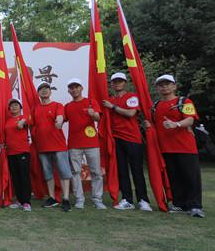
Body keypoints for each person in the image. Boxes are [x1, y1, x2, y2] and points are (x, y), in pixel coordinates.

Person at [150, 74, 204, 218]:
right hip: (166, 148)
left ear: (174, 86)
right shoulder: (155, 106)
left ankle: (195, 206)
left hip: (185, 147)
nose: (164, 87)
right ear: (157, 88)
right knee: (174, 178)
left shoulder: (184, 102)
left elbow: (190, 120)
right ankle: (179, 204)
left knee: (191, 177)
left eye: (167, 84)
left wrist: (177, 124)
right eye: (161, 85)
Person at [102, 72, 151, 211]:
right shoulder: (109, 99)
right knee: (122, 171)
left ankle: (143, 200)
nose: (117, 84)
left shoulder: (132, 97)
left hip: (133, 138)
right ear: (111, 84)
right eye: (115, 82)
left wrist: (112, 107)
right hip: (117, 139)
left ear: (125, 83)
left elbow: (131, 113)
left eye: (120, 81)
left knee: (137, 170)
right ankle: (127, 199)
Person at [64, 78, 106, 210]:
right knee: (75, 172)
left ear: (81, 88)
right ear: (69, 91)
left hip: (91, 142)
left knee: (96, 171)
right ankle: (79, 199)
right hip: (74, 144)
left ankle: (97, 199)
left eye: (76, 87)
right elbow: (61, 119)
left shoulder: (90, 102)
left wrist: (93, 114)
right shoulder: (68, 106)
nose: (74, 90)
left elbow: (98, 118)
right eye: (72, 88)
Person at [32, 82, 72, 212]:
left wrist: (59, 121)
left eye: (46, 89)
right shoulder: (35, 108)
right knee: (48, 173)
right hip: (42, 146)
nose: (44, 91)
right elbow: (32, 124)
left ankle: (65, 198)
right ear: (38, 93)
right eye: (41, 89)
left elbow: (60, 117)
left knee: (63, 172)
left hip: (58, 145)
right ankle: (52, 197)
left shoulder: (57, 105)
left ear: (50, 91)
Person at [4, 99, 32, 212]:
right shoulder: (8, 121)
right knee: (15, 177)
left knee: (24, 177)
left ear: (20, 107)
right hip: (11, 153)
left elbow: (25, 122)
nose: (14, 107)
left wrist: (22, 121)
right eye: (11, 106)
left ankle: (26, 202)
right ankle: (20, 200)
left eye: (16, 105)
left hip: (23, 152)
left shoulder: (24, 117)